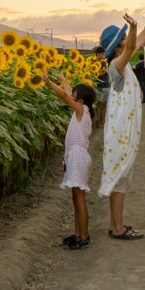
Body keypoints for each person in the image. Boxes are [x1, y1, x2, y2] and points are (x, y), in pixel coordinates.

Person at [99, 11, 145, 240]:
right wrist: (132, 28)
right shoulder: (116, 66)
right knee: (120, 176)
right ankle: (118, 227)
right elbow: (133, 46)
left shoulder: (124, 63)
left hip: (120, 130)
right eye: (123, 37)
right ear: (119, 45)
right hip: (120, 132)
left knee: (118, 177)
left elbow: (138, 42)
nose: (128, 40)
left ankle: (115, 225)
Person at [46, 71, 96, 250]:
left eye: (75, 96)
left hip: (77, 156)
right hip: (74, 155)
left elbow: (65, 95)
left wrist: (48, 82)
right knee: (76, 198)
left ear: (80, 101)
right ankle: (78, 234)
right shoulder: (83, 110)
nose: (71, 97)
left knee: (79, 197)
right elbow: (69, 93)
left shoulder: (81, 110)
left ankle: (84, 236)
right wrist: (63, 80)